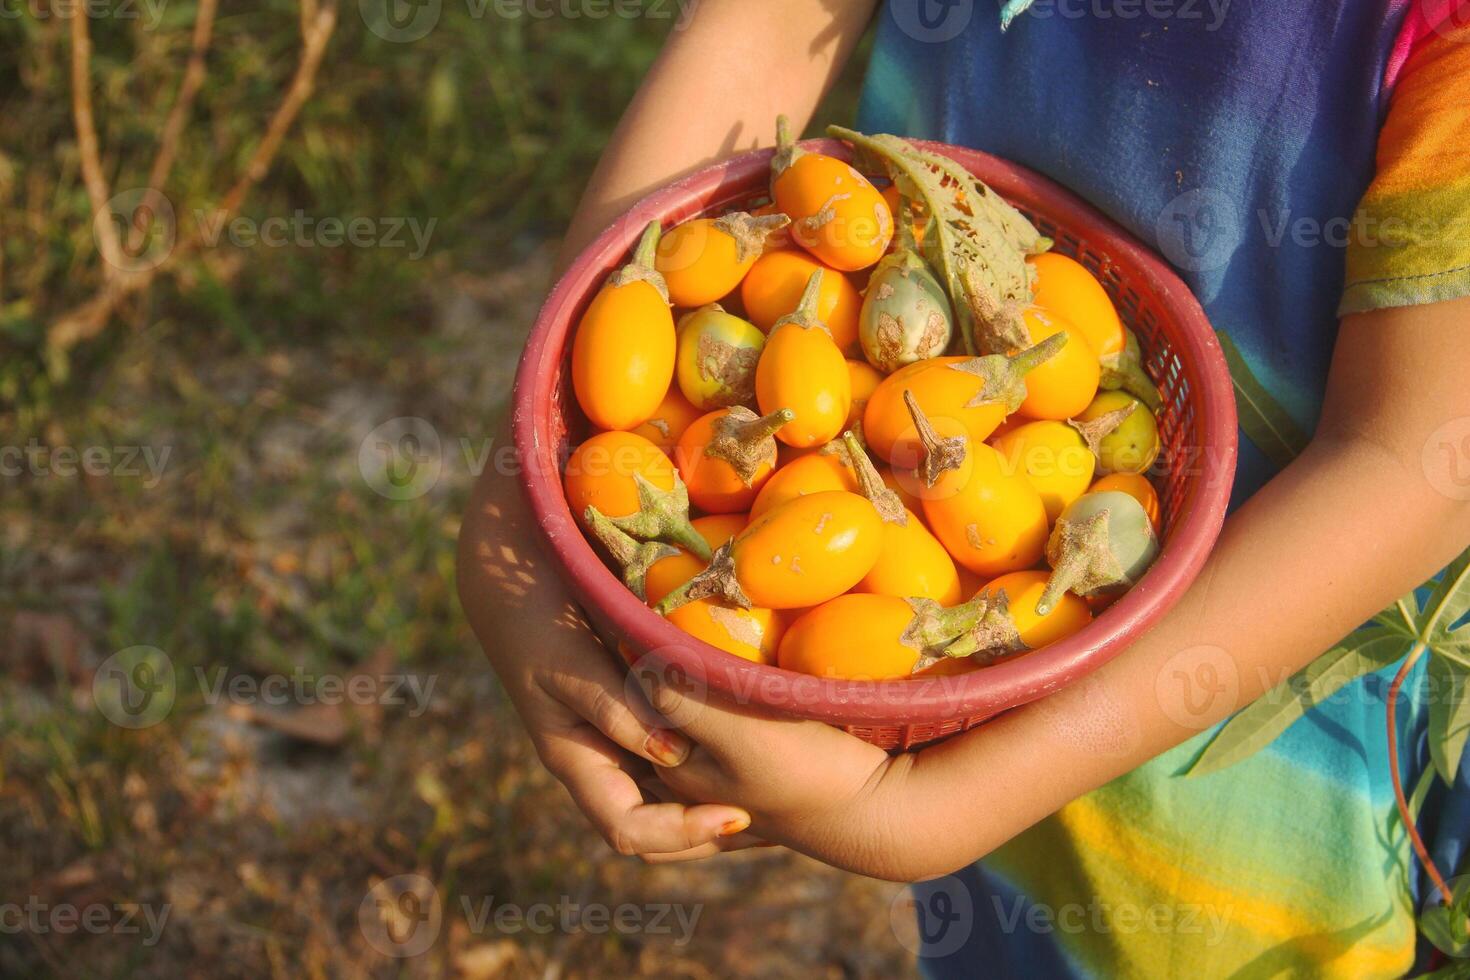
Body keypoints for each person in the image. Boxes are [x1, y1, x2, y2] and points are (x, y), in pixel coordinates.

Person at [459, 1, 1470, 974]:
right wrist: (532, 471)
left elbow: (1419, 457)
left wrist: (939, 804)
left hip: (1243, 768)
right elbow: (761, 23)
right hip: (929, 656)